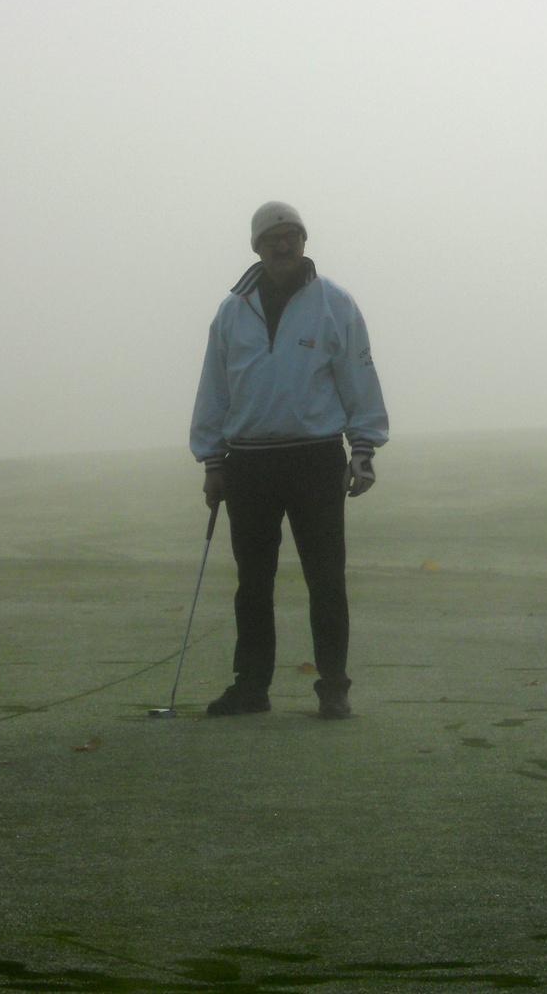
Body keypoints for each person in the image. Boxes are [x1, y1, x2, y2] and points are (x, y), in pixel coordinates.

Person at [190, 201, 389, 720]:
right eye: (273, 236)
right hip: (247, 464)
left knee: (326, 579)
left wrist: (363, 450)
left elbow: (358, 378)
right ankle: (251, 686)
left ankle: (334, 687)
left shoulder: (334, 304)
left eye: (293, 234)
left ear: (304, 240)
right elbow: (214, 390)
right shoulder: (232, 311)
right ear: (256, 246)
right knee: (252, 582)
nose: (284, 244)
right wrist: (212, 462)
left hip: (315, 460)